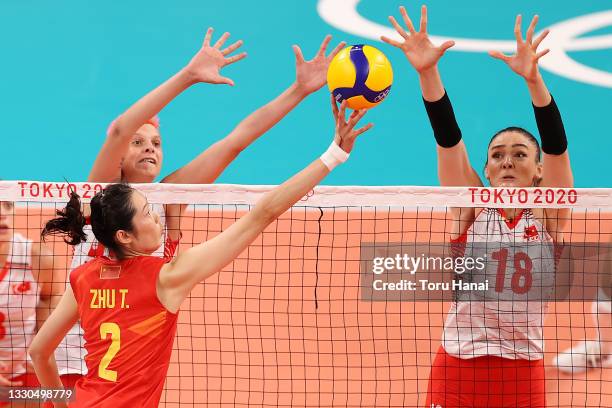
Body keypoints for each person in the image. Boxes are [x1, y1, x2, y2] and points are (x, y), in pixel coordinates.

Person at [28, 98, 372, 408]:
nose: (157, 218)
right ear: (124, 235)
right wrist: (334, 155)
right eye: (149, 213)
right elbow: (262, 213)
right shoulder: (169, 277)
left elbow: (39, 352)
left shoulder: (82, 279)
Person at [54, 27, 346, 389]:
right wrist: (188, 76)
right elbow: (118, 132)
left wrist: (298, 90)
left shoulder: (170, 200)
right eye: (139, 142)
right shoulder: (97, 197)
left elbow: (235, 142)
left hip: (134, 371)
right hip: (74, 361)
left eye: (157, 143)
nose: (150, 148)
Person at [383, 6, 573, 407]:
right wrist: (427, 73)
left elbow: (557, 146)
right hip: (458, 369)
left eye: (520, 154)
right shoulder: (469, 207)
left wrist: (534, 80)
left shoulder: (549, 212)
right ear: (485, 170)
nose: (507, 161)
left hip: (522, 373)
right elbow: (448, 139)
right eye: (498, 155)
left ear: (538, 172)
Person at [0, 200, 63, 406]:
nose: (2, 213)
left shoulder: (38, 258)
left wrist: (42, 350)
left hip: (24, 372)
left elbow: (49, 298)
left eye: (7, 205)